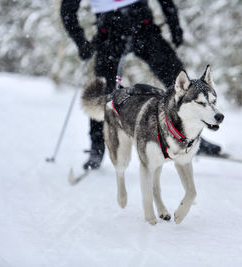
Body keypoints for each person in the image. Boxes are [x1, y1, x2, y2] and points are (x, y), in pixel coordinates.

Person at [60, 0, 222, 170]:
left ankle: (190, 136)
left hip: (143, 26)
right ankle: (97, 147)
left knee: (179, 82)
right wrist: (80, 42)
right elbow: (68, 10)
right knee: (104, 92)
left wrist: (174, 24)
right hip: (108, 31)